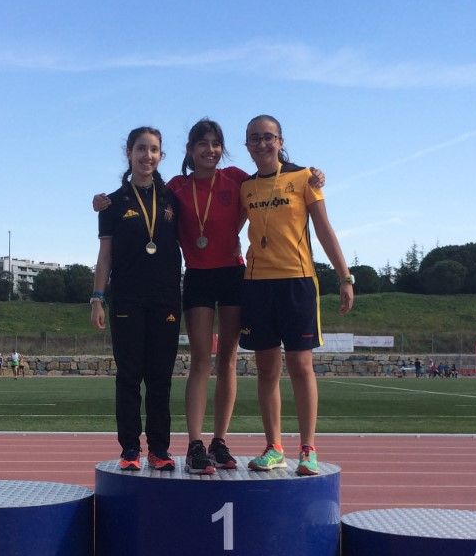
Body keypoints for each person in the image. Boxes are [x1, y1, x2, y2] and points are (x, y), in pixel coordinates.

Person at [94, 119, 327, 474]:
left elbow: (273, 180)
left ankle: (219, 440)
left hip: (234, 275)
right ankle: (195, 444)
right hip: (198, 277)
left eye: (215, 143)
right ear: (189, 151)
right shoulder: (176, 187)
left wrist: (312, 174)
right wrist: (105, 200)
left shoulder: (236, 178)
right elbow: (138, 197)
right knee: (202, 361)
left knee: (228, 361)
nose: (209, 150)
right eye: (201, 143)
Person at [238, 114, 354, 476]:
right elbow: (230, 229)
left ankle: (308, 449)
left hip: (297, 282)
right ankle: (274, 447)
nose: (261, 144)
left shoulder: (305, 178)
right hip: (257, 284)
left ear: (280, 140)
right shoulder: (245, 188)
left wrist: (345, 276)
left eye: (268, 137)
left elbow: (323, 228)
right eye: (254, 138)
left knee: (301, 367)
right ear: (247, 145)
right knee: (266, 370)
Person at [91, 126, 182, 471]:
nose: (148, 156)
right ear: (128, 153)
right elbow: (105, 257)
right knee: (129, 377)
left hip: (167, 300)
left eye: (154, 149)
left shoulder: (174, 198)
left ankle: (159, 449)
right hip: (127, 300)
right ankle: (130, 449)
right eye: (141, 149)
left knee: (161, 377)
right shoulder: (111, 204)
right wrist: (97, 297)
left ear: (161, 156)